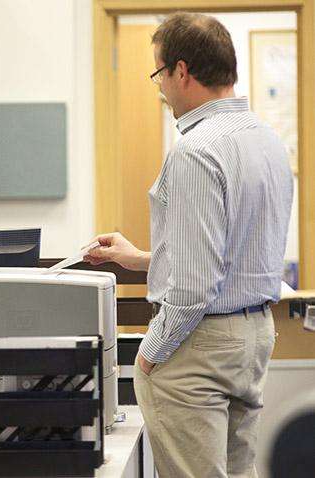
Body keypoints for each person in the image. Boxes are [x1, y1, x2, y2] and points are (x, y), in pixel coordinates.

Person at [84, 13, 293, 478]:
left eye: (158, 73)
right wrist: (140, 259)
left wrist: (150, 353)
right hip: (253, 336)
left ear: (181, 71)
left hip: (200, 345)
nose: (160, 89)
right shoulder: (267, 141)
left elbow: (196, 285)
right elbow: (231, 256)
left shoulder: (196, 151)